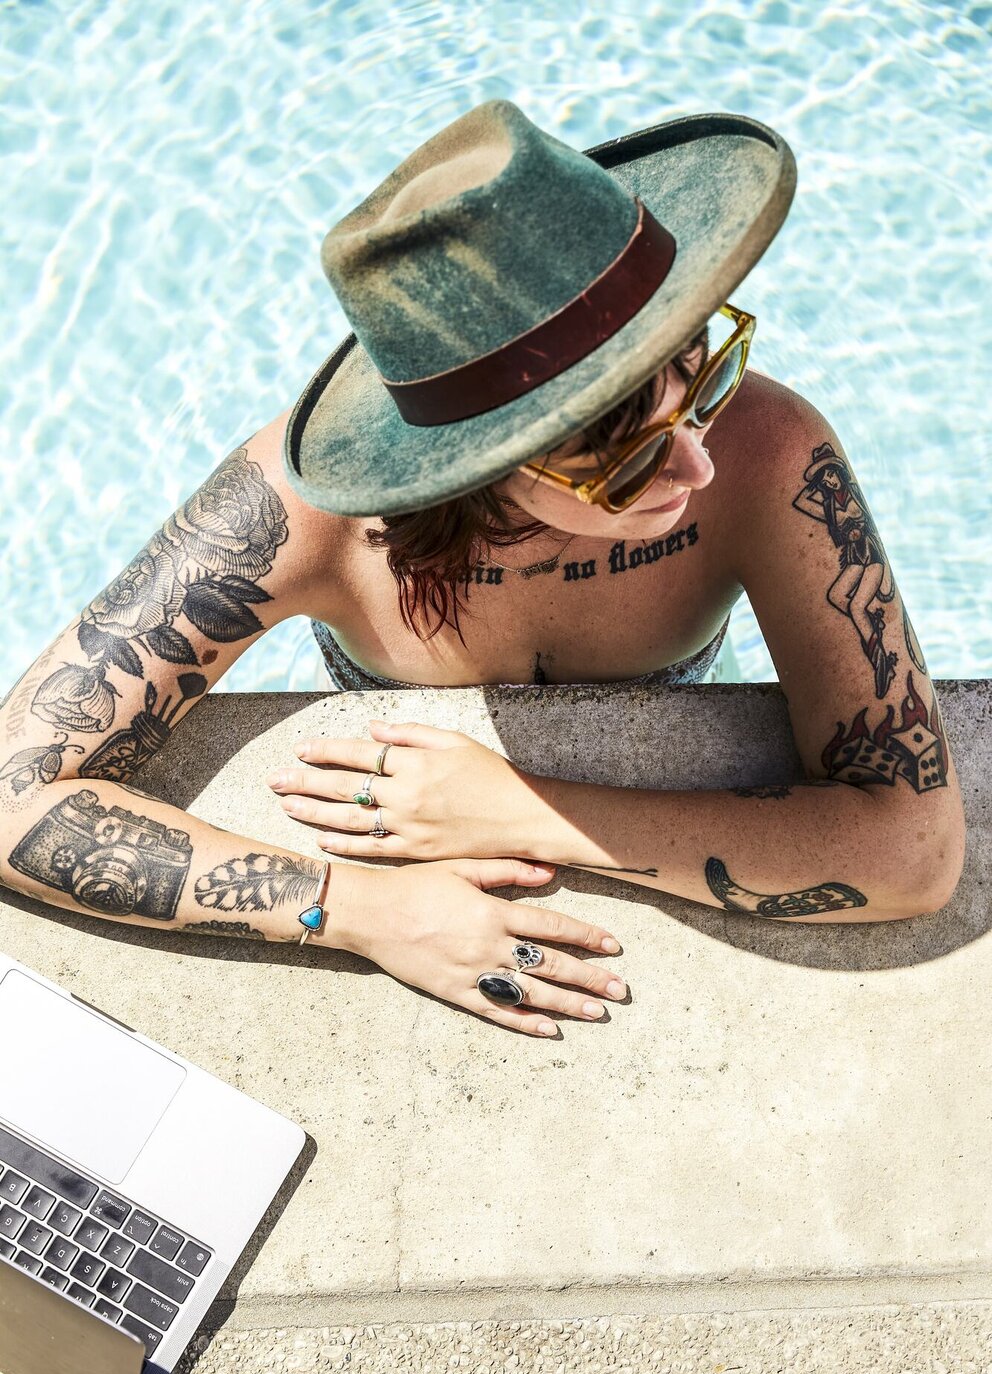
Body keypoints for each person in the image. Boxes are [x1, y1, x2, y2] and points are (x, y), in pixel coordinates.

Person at [0, 99, 965, 1038]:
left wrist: (529, 811)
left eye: (701, 370)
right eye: (620, 453)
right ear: (473, 460)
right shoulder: (310, 518)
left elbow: (912, 851)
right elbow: (16, 794)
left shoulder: (765, 450)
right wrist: (358, 910)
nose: (696, 464)